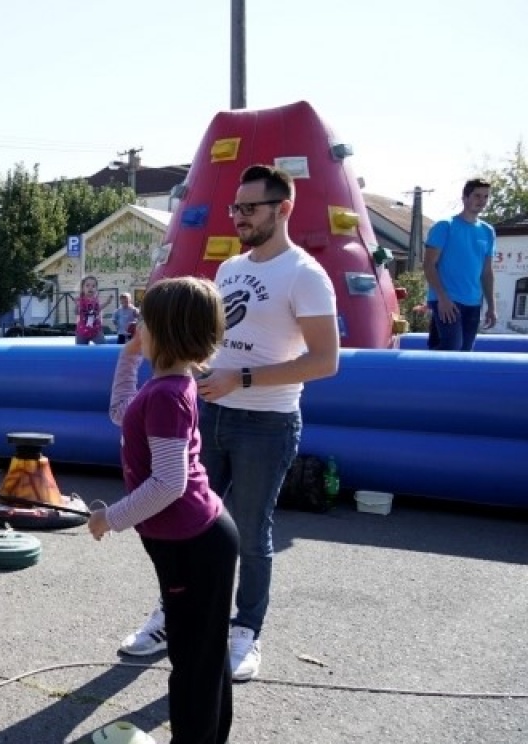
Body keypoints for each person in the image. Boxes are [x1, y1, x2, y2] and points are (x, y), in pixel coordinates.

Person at [119, 164, 339, 683]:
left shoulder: (305, 275)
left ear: (283, 208)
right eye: (234, 207)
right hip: (209, 410)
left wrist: (243, 377)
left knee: (250, 529)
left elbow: (326, 361)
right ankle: (173, 617)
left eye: (249, 208)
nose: (238, 216)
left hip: (268, 422)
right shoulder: (230, 270)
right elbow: (211, 342)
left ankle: (245, 631)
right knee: (184, 520)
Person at [91, 276, 239, 744]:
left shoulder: (170, 396)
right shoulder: (168, 386)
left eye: (144, 323)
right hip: (193, 541)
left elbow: (169, 484)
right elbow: (121, 410)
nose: (137, 327)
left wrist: (109, 519)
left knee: (194, 662)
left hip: (194, 546)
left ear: (165, 331)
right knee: (203, 653)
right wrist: (129, 353)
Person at [423, 178, 497, 351]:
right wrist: (442, 298)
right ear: (465, 197)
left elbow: (487, 272)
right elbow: (428, 265)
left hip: (473, 302)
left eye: (486, 197)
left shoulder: (487, 231)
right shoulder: (445, 226)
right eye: (477, 196)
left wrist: (492, 307)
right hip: (448, 300)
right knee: (451, 348)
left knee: (465, 353)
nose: (482, 201)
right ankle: (420, 374)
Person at [76, 276, 104, 345]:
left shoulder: (96, 301)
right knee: (80, 351)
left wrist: (107, 302)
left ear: (96, 289)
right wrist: (77, 307)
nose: (90, 288)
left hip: (96, 330)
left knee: (103, 347)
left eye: (93, 286)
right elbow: (76, 312)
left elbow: (99, 311)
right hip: (82, 330)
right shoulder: (80, 300)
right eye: (87, 285)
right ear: (83, 288)